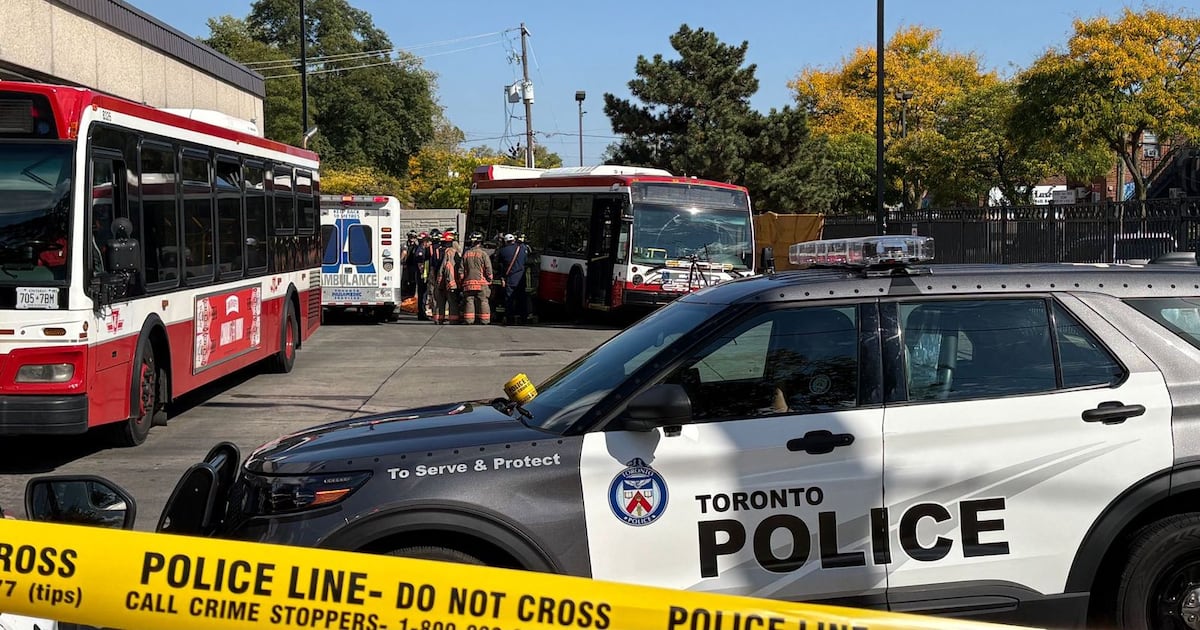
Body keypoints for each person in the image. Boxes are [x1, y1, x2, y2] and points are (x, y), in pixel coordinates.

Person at [461, 232, 494, 325]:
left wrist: (462, 280)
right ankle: (485, 320)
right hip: (481, 282)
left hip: (468, 283)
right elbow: (488, 268)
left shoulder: (466, 254)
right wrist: (489, 279)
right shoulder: (483, 254)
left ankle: (469, 320)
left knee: (469, 301)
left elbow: (461, 270)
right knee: (483, 301)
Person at [496, 233, 528, 325]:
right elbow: (526, 260)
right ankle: (523, 318)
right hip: (521, 279)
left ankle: (510, 318)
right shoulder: (523, 248)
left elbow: (499, 264)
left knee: (509, 299)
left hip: (510, 278)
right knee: (522, 299)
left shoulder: (503, 251)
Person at [432, 232, 461, 324]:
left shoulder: (437, 251)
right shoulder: (452, 252)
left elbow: (434, 265)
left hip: (439, 280)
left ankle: (438, 319)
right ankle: (453, 320)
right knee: (452, 301)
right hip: (450, 281)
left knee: (440, 301)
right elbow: (448, 267)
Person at [412, 232, 432, 320]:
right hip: (422, 276)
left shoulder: (421, 249)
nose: (430, 243)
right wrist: (423, 275)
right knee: (422, 295)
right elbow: (420, 264)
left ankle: (422, 313)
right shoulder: (420, 250)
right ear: (425, 241)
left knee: (423, 295)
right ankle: (422, 313)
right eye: (428, 241)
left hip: (422, 276)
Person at [400, 230, 420, 299]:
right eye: (411, 237)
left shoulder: (417, 246)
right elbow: (403, 253)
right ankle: (404, 295)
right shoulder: (404, 245)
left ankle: (412, 295)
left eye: (414, 237)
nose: (412, 238)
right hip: (405, 266)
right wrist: (401, 260)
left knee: (413, 281)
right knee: (404, 280)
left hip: (414, 266)